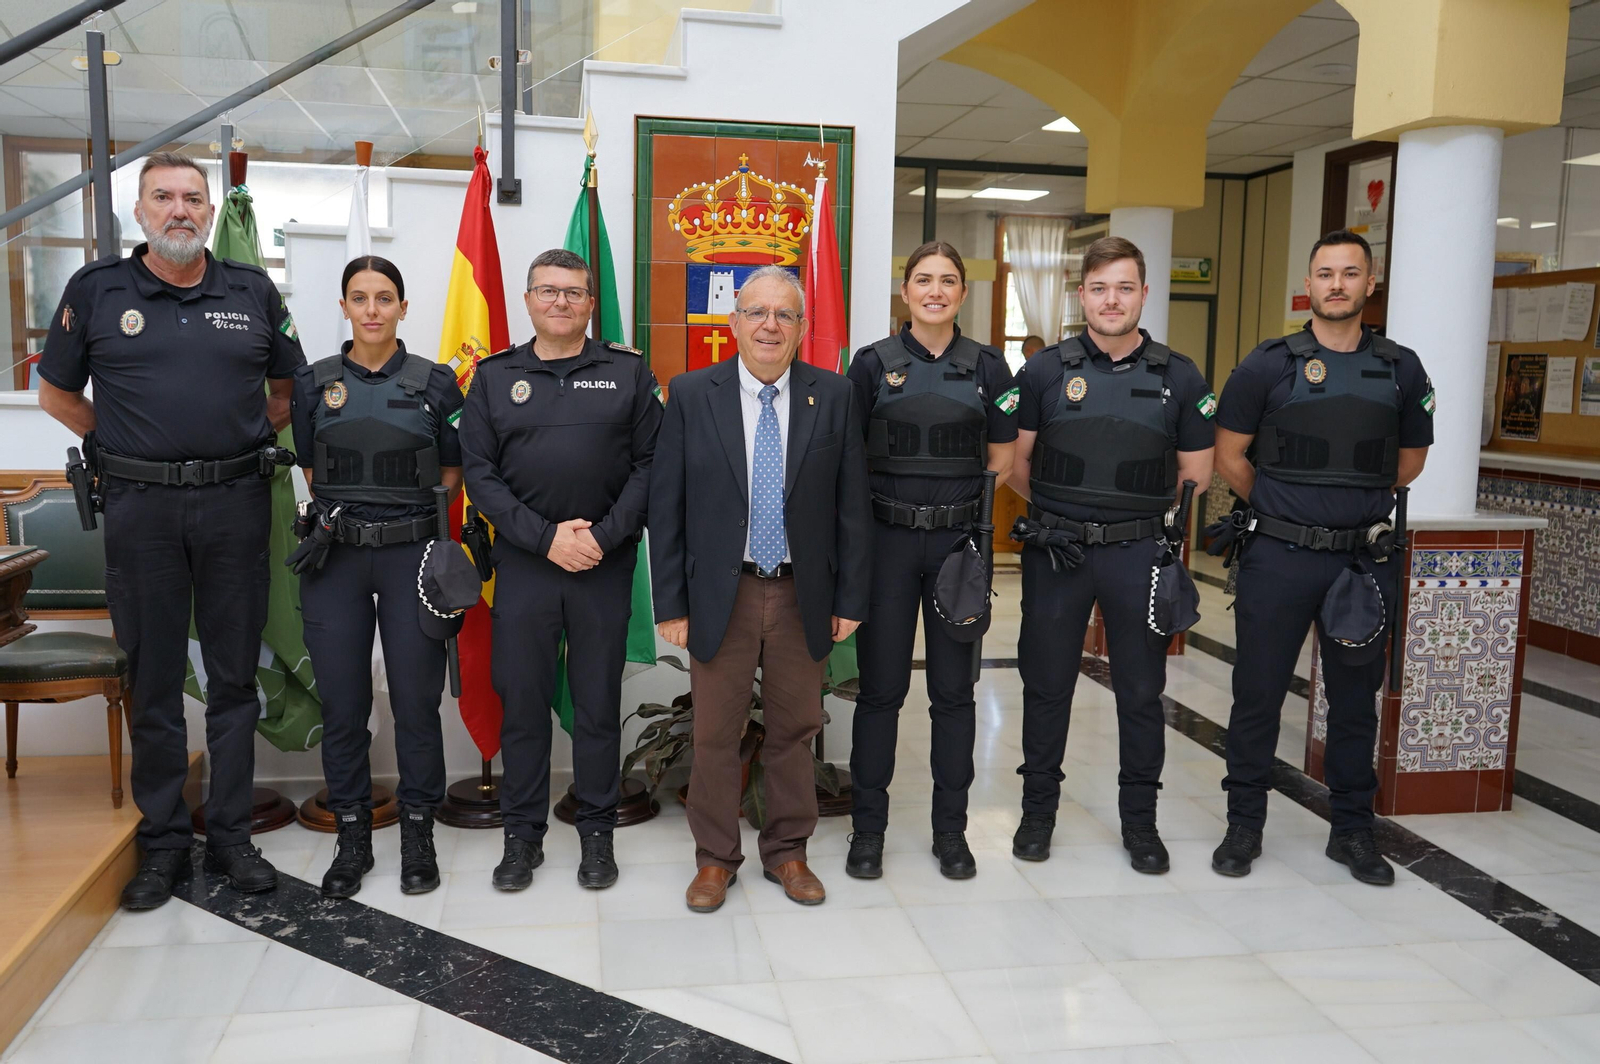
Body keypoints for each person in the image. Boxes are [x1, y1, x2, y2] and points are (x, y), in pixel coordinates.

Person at [36, 151, 306, 910]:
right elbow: (56, 392)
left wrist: (237, 439)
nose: (180, 210)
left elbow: (286, 391)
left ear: (210, 210)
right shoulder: (97, 291)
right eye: (164, 197)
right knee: (152, 679)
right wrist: (119, 442)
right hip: (141, 510)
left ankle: (228, 837)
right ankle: (160, 846)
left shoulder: (251, 290)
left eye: (193, 198)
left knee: (233, 679)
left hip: (234, 506)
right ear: (140, 212)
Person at [1211, 229, 1432, 886]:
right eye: (1325, 273)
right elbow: (1229, 456)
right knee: (1256, 695)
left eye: (1350, 273)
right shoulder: (1267, 364)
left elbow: (1410, 462)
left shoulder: (1402, 367)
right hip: (1277, 557)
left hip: (1359, 564)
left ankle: (1352, 832)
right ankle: (1243, 825)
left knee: (1355, 702)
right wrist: (1284, 509)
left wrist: (1349, 509)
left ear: (1371, 283)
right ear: (1310, 284)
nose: (1337, 285)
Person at [650, 265, 871, 913]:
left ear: (802, 328)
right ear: (734, 323)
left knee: (795, 729)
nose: (769, 324)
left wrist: (850, 599)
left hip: (805, 593)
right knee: (716, 733)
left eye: (784, 314)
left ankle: (788, 851)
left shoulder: (833, 396)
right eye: (757, 312)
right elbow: (667, 506)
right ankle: (715, 860)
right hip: (724, 593)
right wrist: (671, 603)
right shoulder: (692, 393)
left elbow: (852, 507)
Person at [1007, 236, 1215, 874]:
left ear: (1144, 295)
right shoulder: (1044, 371)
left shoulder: (1179, 375)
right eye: (1099, 288)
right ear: (1082, 295)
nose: (1112, 300)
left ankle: (1140, 825)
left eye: (1125, 287)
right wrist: (1066, 512)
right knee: (1046, 688)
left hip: (1138, 555)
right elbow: (1015, 465)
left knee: (1142, 692)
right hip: (1059, 552)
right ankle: (1037, 815)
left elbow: (1196, 474)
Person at [459, 248, 661, 892]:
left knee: (599, 706)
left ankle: (596, 836)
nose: (561, 303)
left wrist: (598, 538)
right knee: (523, 706)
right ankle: (522, 838)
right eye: (548, 291)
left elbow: (650, 467)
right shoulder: (492, 378)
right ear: (527, 301)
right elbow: (480, 476)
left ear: (590, 303)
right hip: (526, 568)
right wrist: (546, 540)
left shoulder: (628, 374)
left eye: (574, 292)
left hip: (603, 564)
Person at [288, 256, 464, 899]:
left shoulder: (437, 383)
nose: (371, 309)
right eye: (359, 298)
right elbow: (311, 466)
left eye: (384, 297)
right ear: (343, 306)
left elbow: (452, 472)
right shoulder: (313, 382)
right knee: (344, 704)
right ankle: (352, 840)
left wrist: (401, 518)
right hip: (334, 558)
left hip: (410, 557)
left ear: (403, 307)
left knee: (417, 704)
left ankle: (419, 835)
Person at [843, 242, 1017, 880]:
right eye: (923, 280)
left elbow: (1001, 458)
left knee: (954, 695)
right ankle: (869, 833)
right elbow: (848, 458)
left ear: (963, 294)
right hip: (887, 547)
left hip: (956, 551)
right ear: (905, 291)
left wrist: (960, 510)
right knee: (881, 694)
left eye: (948, 281)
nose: (935, 291)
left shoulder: (989, 369)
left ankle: (952, 833)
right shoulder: (872, 365)